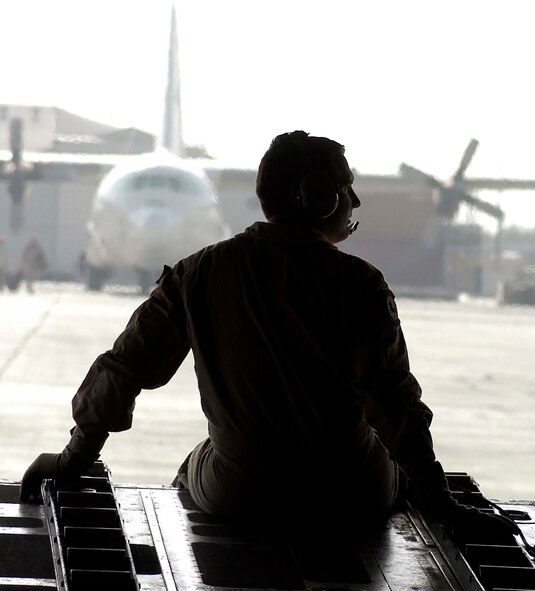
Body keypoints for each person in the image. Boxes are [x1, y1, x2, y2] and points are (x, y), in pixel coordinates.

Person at [20, 131, 519, 539]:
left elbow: (124, 368)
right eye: (347, 188)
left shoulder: (197, 274)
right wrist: (443, 506)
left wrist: (73, 459)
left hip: (240, 490)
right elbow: (393, 405)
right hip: (351, 492)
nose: (355, 200)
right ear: (319, 198)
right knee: (394, 475)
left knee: (194, 467)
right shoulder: (361, 282)